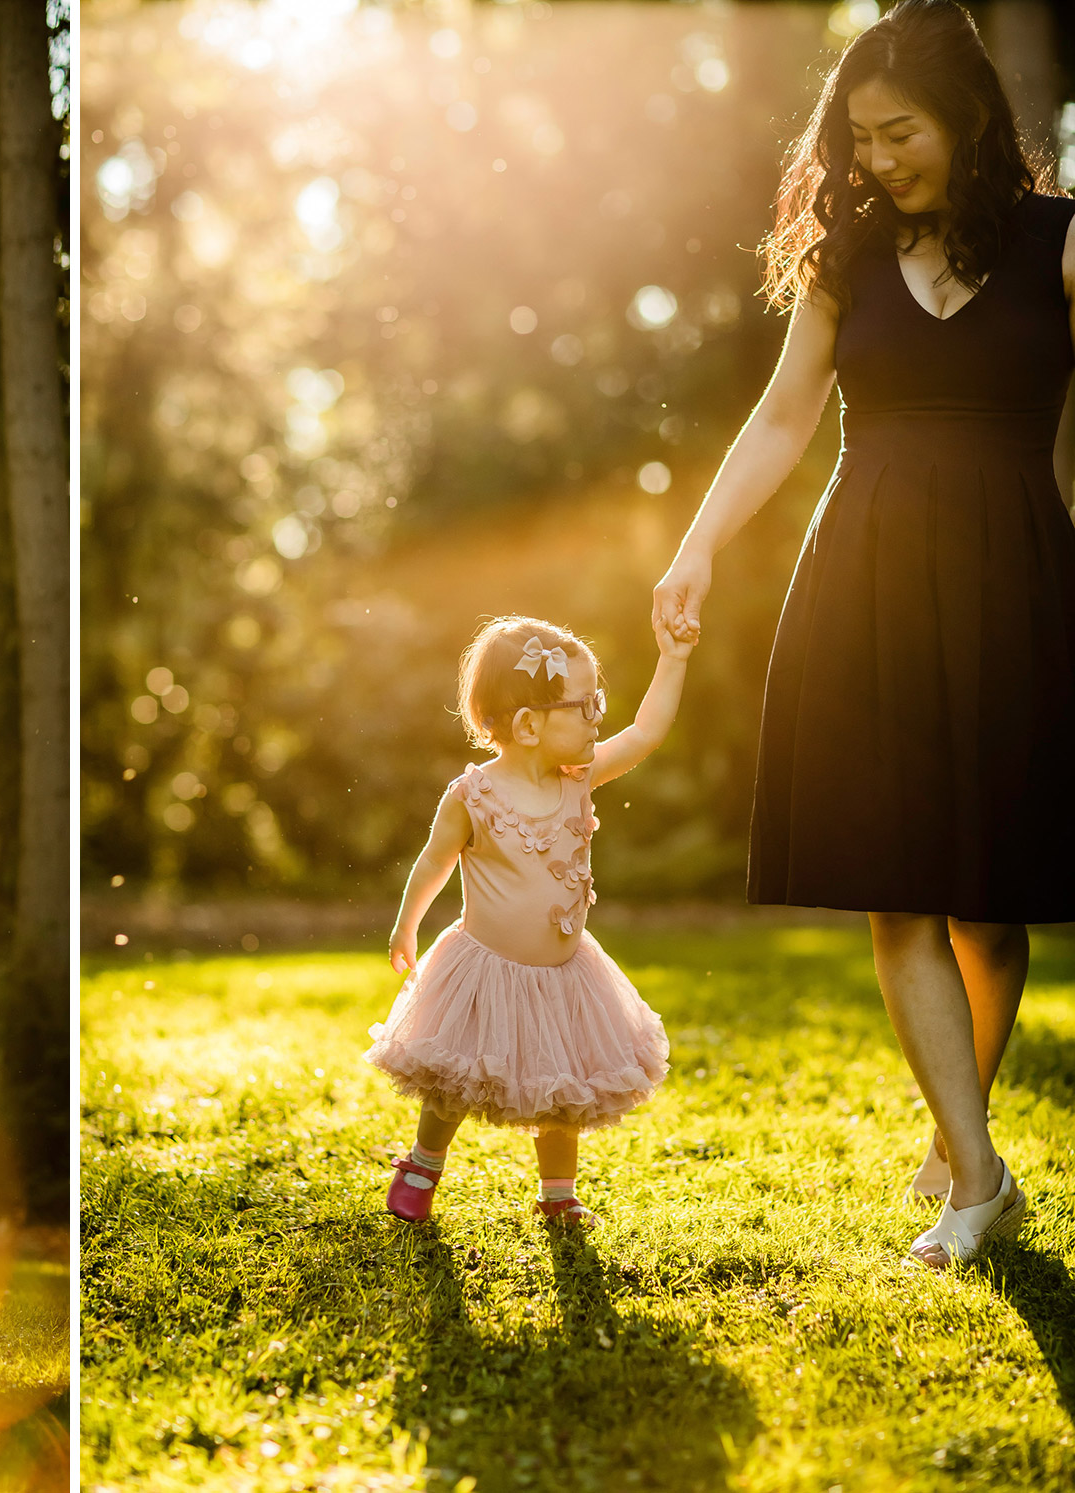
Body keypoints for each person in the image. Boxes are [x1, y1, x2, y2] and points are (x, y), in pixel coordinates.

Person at [651, 0, 1065, 1267]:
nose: (877, 161)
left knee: (991, 908)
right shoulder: (842, 259)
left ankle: (957, 1133)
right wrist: (696, 543)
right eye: (858, 138)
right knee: (896, 888)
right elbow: (782, 418)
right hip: (867, 569)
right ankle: (977, 1172)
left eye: (900, 133)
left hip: (1013, 571)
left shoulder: (1059, 245)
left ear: (971, 119)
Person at [365, 614, 687, 1226]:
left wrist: (673, 659)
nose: (599, 715)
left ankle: (558, 1192)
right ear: (528, 725)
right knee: (452, 1079)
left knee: (562, 1085)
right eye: (586, 703)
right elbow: (434, 860)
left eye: (599, 700)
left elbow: (645, 732)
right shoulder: (473, 796)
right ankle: (422, 1164)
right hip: (484, 967)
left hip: (566, 970)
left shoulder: (579, 779)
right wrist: (407, 924)